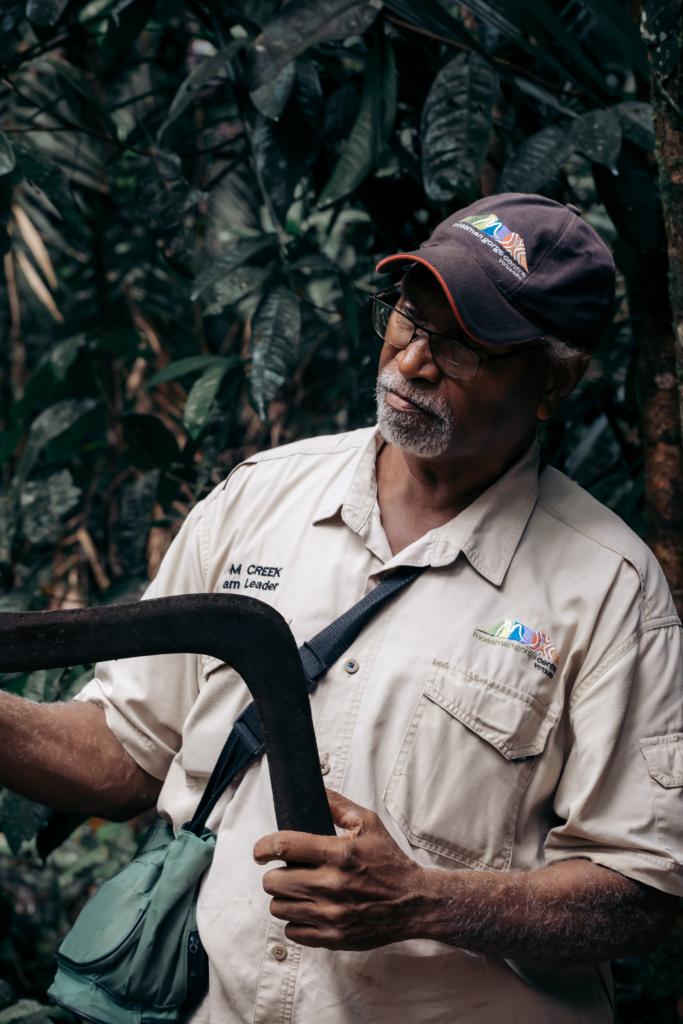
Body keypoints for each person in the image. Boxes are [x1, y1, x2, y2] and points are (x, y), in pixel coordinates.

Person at [0, 192, 681, 1023]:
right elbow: (126, 753)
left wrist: (426, 901)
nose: (411, 362)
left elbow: (639, 892)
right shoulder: (260, 498)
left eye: (461, 345)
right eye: (407, 317)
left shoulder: (608, 587)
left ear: (551, 381)